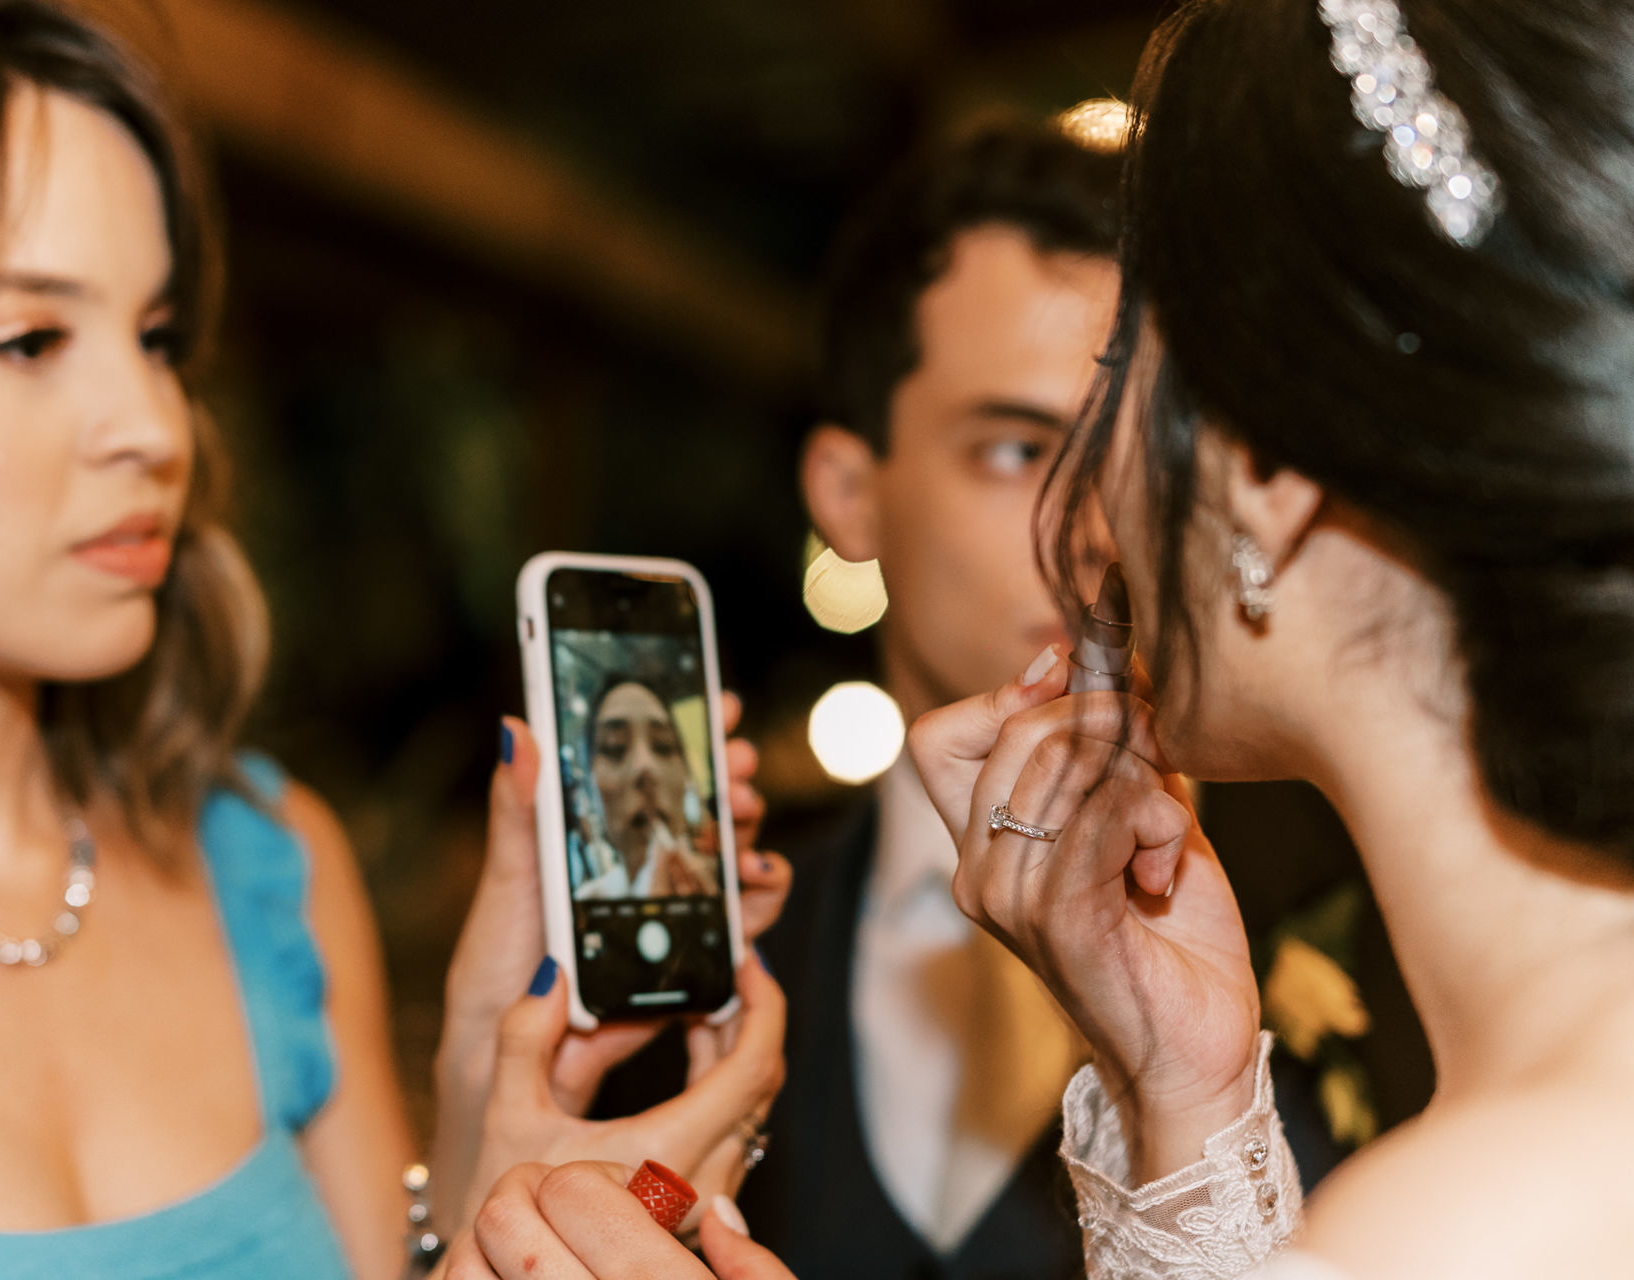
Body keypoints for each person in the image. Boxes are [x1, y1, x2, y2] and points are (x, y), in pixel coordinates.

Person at [457, 0, 1634, 1275]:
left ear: (1267, 463)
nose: (1078, 517)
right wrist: (1184, 1093)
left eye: (1128, 363)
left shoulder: (1476, 1220)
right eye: (1015, 444)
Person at [0, 4, 789, 1277]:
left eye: (157, 338)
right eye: (29, 338)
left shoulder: (266, 860)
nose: (154, 425)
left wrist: (489, 1130)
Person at [602, 116, 1397, 1280]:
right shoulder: (703, 964)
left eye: (1136, 452)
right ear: (848, 492)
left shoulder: (1378, 909)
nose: (1094, 528)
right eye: (1019, 451)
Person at [575, 678, 722, 901]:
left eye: (663, 745)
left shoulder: (723, 893)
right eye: (614, 747)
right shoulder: (586, 904)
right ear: (589, 788)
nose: (645, 766)